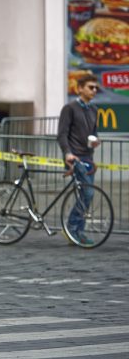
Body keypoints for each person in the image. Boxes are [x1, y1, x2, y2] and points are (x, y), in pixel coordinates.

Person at [57, 73, 100, 245]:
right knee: (88, 193)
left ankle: (77, 232)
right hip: (74, 157)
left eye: (96, 88)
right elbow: (62, 134)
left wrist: (96, 141)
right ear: (79, 88)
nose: (94, 90)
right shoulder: (70, 108)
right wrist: (67, 152)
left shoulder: (94, 110)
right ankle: (72, 228)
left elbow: (94, 132)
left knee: (85, 195)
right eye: (91, 87)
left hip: (87, 156)